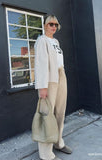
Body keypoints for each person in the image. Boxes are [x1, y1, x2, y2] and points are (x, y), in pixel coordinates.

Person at [34, 15, 72, 160]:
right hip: (49, 79)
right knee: (47, 115)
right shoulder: (41, 40)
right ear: (44, 25)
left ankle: (58, 142)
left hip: (60, 74)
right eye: (50, 24)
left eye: (56, 24)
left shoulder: (55, 41)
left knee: (60, 112)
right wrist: (42, 86)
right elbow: (41, 65)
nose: (53, 27)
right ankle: (46, 154)